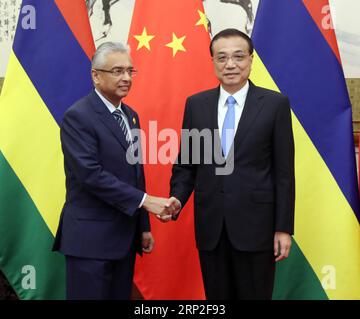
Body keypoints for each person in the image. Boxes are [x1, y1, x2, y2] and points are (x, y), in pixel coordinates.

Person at [160, 29, 295, 299]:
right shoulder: (197, 104)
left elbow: (284, 173)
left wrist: (283, 228)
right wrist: (176, 198)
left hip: (257, 228)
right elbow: (187, 164)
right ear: (212, 61)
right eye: (221, 58)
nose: (230, 64)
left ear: (250, 59)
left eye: (238, 57)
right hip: (212, 228)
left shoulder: (274, 104)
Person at [53, 42, 175, 300]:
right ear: (96, 76)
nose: (126, 78)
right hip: (90, 241)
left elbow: (136, 172)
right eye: (117, 71)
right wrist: (146, 202)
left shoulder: (130, 116)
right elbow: (90, 175)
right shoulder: (79, 116)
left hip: (125, 238)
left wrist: (143, 225)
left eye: (130, 71)